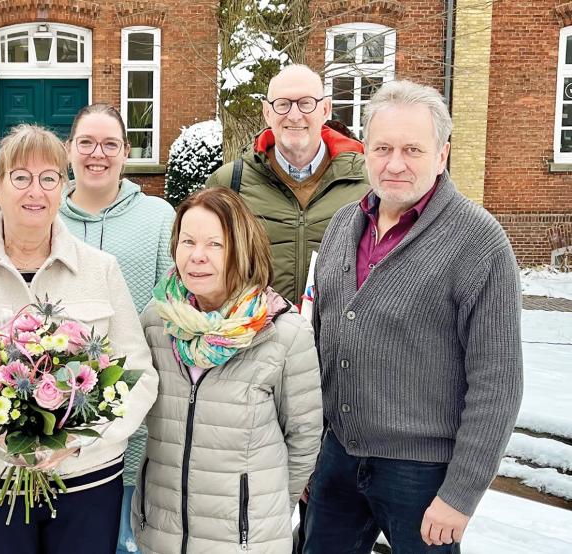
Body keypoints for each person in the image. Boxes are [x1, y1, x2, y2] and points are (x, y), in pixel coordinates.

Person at [0, 124, 159, 553]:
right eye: (20, 177)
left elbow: (139, 374)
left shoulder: (101, 270)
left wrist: (80, 437)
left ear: (62, 188)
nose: (34, 191)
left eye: (48, 178)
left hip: (87, 478)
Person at [304, 80, 523, 553]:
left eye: (412, 149)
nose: (395, 163)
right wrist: (311, 457)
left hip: (423, 476)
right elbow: (320, 341)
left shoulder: (479, 242)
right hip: (338, 460)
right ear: (365, 152)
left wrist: (460, 494)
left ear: (442, 154)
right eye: (382, 148)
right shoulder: (345, 224)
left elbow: (498, 380)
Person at [135, 187, 323, 553]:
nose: (197, 257)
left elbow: (303, 440)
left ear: (242, 248)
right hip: (161, 533)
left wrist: (257, 515)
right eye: (187, 241)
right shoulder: (157, 321)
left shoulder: (283, 332)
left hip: (245, 541)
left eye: (215, 245)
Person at [58, 103, 174, 554]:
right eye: (86, 142)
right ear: (69, 150)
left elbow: (171, 309)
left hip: (135, 420)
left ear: (127, 152)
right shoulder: (46, 215)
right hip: (51, 420)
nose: (97, 154)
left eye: (109, 144)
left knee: (129, 541)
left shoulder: (158, 217)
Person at [206, 64, 369, 305]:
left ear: (325, 109)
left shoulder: (367, 182)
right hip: (259, 337)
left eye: (306, 103)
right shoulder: (229, 183)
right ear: (267, 112)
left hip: (340, 338)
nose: (294, 115)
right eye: (282, 104)